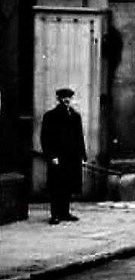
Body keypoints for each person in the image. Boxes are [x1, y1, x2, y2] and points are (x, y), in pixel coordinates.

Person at [40, 87, 86, 224]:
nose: (67, 100)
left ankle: (65, 212)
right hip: (58, 157)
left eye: (69, 97)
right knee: (56, 186)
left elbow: (79, 137)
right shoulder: (50, 116)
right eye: (64, 97)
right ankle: (55, 214)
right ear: (58, 99)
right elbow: (45, 138)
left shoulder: (75, 116)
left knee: (68, 186)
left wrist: (82, 155)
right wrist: (51, 156)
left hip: (71, 158)